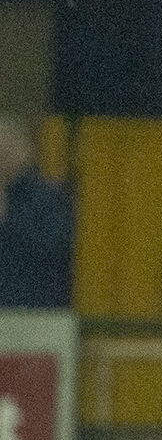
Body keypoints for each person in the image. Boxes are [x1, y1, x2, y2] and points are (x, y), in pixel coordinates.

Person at [0, 114, 74, 310]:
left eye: (5, 149)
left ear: (23, 150)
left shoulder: (46, 196)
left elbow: (54, 245)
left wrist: (7, 218)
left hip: (36, 307)